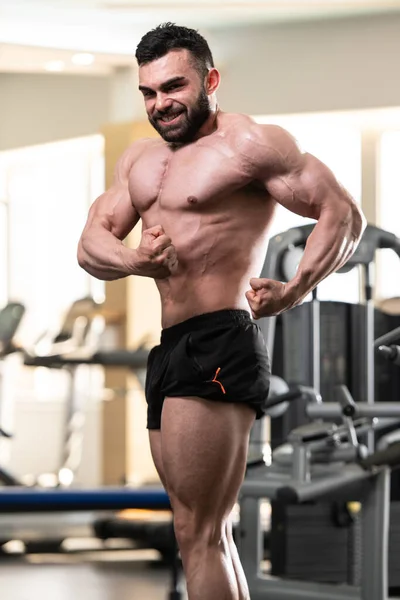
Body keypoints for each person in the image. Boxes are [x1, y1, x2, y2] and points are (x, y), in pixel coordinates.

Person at [77, 22, 366, 600]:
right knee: (201, 533)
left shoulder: (248, 144)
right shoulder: (140, 161)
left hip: (218, 338)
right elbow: (90, 244)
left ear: (210, 79)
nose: (161, 104)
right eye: (150, 93)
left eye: (174, 87)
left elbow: (341, 214)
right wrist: (137, 262)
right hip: (170, 347)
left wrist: (295, 290)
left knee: (201, 532)